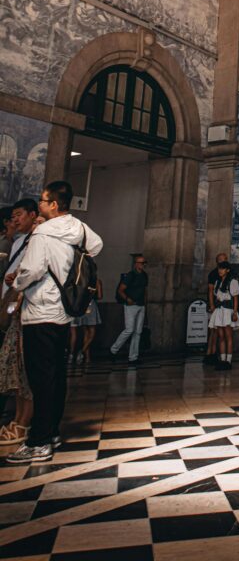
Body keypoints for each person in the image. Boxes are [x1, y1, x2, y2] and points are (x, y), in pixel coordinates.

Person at [6, 180, 103, 464]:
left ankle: (39, 442)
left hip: (40, 312)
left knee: (41, 379)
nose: (40, 204)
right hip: (63, 311)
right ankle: (52, 432)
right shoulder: (79, 229)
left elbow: (33, 270)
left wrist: (18, 282)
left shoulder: (43, 234)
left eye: (44, 201)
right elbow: (96, 246)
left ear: (54, 205)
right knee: (56, 376)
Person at [0, 198, 40, 447]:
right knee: (14, 366)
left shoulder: (38, 242)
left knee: (27, 368)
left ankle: (24, 422)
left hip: (30, 311)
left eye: (19, 214)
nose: (15, 219)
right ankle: (16, 418)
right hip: (14, 308)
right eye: (13, 215)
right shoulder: (17, 242)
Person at [110, 254, 148, 365]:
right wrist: (127, 299)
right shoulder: (130, 275)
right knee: (129, 330)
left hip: (141, 305)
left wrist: (146, 303)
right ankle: (113, 350)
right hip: (131, 305)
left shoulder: (145, 275)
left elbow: (145, 290)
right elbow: (120, 290)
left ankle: (133, 357)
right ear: (136, 264)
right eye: (141, 262)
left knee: (138, 332)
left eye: (144, 262)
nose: (143, 265)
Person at [208, 259, 239, 370]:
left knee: (228, 336)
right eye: (219, 268)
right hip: (219, 310)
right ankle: (222, 360)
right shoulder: (218, 282)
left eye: (222, 269)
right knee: (221, 336)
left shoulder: (232, 281)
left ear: (227, 270)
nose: (220, 270)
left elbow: (236, 298)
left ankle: (228, 361)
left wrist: (235, 312)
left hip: (228, 311)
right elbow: (216, 296)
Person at [68, 275, 103, 364]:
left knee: (86, 334)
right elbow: (99, 296)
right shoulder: (97, 281)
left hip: (82, 307)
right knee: (92, 333)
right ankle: (82, 352)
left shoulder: (81, 281)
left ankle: (87, 358)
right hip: (91, 306)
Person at [204, 251, 227, 365]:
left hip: (222, 306)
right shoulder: (213, 274)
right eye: (223, 260)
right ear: (218, 262)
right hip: (214, 305)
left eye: (226, 259)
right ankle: (210, 353)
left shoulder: (227, 273)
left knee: (218, 331)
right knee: (212, 330)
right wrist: (212, 305)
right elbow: (210, 290)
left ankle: (213, 352)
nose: (225, 261)